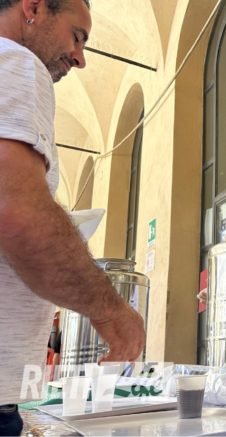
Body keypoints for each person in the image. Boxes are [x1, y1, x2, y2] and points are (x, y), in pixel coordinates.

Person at [0, 1, 145, 434]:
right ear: (34, 7)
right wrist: (113, 314)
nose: (80, 58)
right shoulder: (16, 61)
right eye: (77, 36)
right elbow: (17, 213)